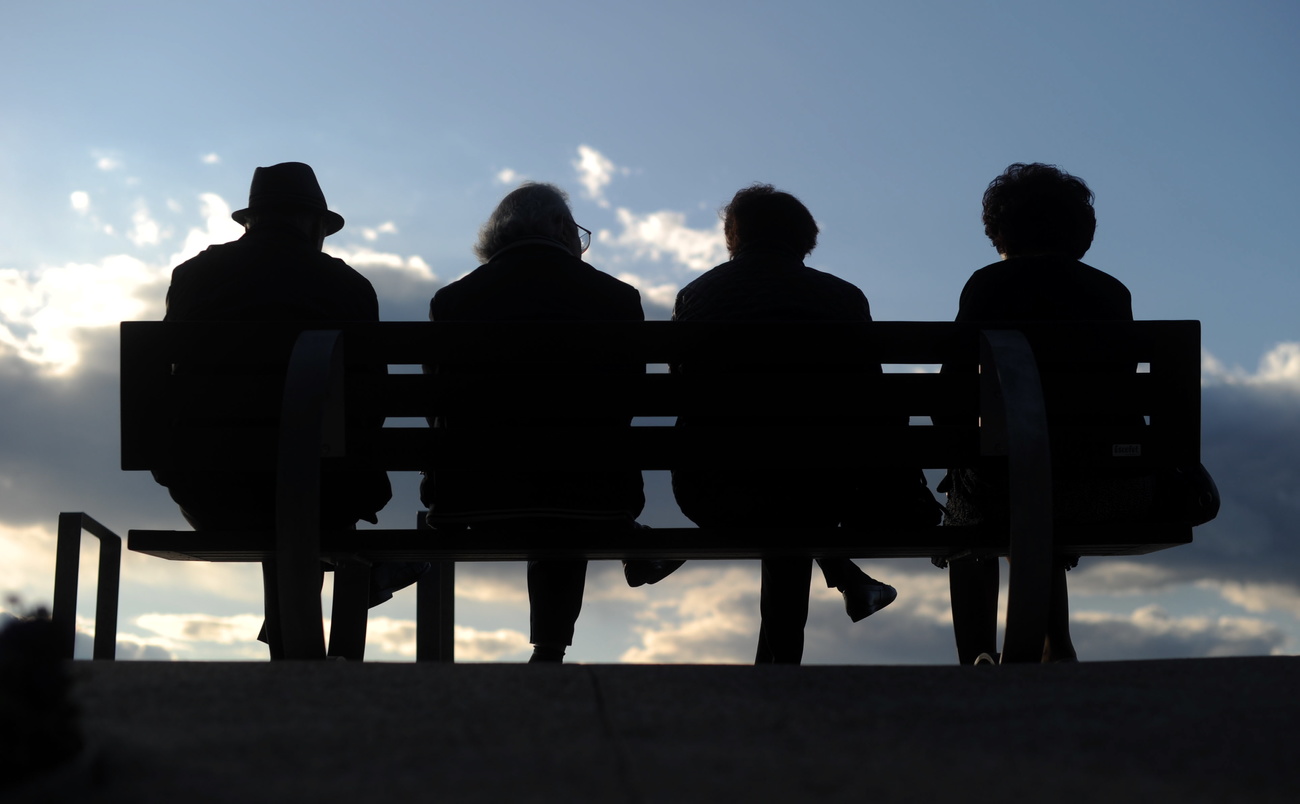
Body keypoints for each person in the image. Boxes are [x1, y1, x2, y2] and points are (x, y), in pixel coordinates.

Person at [155, 162, 419, 656]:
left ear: (251, 222)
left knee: (275, 483)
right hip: (326, 494)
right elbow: (372, 404)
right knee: (308, 485)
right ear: (315, 224)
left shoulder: (193, 277)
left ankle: (290, 649)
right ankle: (305, 654)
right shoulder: (348, 287)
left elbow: (167, 385)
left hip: (213, 491)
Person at [670, 184, 910, 665]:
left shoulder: (697, 297)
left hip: (714, 487)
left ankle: (828, 604)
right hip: (827, 488)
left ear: (734, 236)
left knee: (778, 479)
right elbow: (873, 397)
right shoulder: (843, 298)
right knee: (799, 486)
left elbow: (682, 390)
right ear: (806, 239)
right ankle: (791, 651)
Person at [420, 182, 649, 663]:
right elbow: (626, 405)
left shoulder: (453, 302)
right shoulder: (618, 300)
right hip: (596, 501)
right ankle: (549, 648)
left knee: (543, 480)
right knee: (567, 481)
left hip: (470, 502)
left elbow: (437, 410)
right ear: (561, 230)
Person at [939, 162, 1144, 664]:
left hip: (1006, 490)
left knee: (987, 499)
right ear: (1081, 234)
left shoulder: (988, 286)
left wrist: (961, 456)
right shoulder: (1111, 293)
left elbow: (952, 390)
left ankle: (976, 659)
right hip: (1109, 490)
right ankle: (1057, 643)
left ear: (1000, 231)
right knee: (1037, 475)